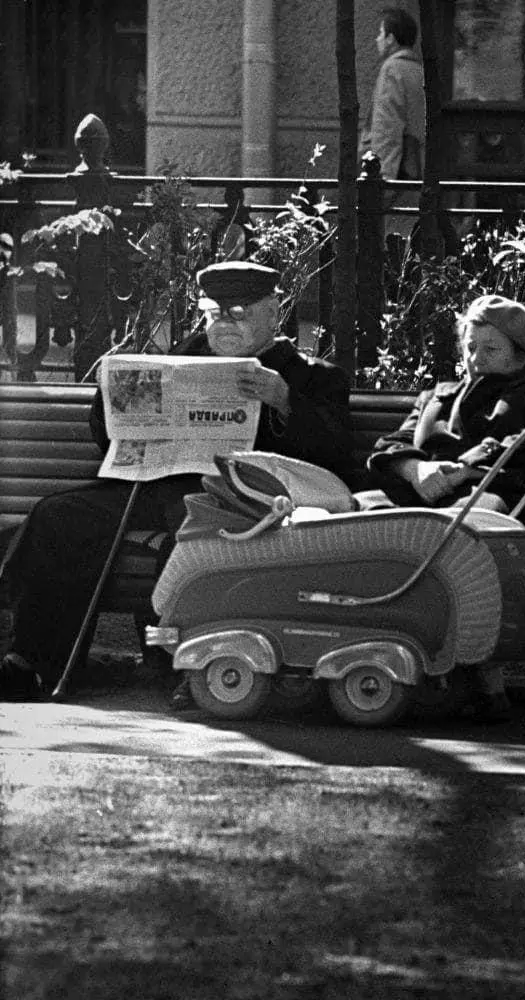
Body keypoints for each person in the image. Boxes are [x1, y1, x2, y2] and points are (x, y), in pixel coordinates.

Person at [0, 261, 354, 702]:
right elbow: (107, 434)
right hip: (159, 488)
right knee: (59, 517)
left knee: (192, 535)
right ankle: (34, 663)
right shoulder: (185, 355)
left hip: (243, 504)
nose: (222, 323)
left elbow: (336, 457)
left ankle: (187, 670)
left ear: (273, 313)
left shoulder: (313, 376)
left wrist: (283, 399)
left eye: (238, 312)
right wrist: (118, 401)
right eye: (213, 311)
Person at [364, 293, 525, 718]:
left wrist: (462, 470)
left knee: (469, 524)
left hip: (512, 502)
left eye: (490, 349)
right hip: (430, 499)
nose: (475, 359)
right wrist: (415, 470)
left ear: (521, 354)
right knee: (374, 516)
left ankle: (477, 672)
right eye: (469, 346)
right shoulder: (440, 395)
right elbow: (391, 443)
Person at [358, 7, 425, 235]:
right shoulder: (418, 71)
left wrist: (380, 185)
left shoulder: (392, 69)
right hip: (417, 173)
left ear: (391, 39)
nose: (377, 39)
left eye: (380, 33)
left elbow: (387, 129)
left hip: (393, 178)